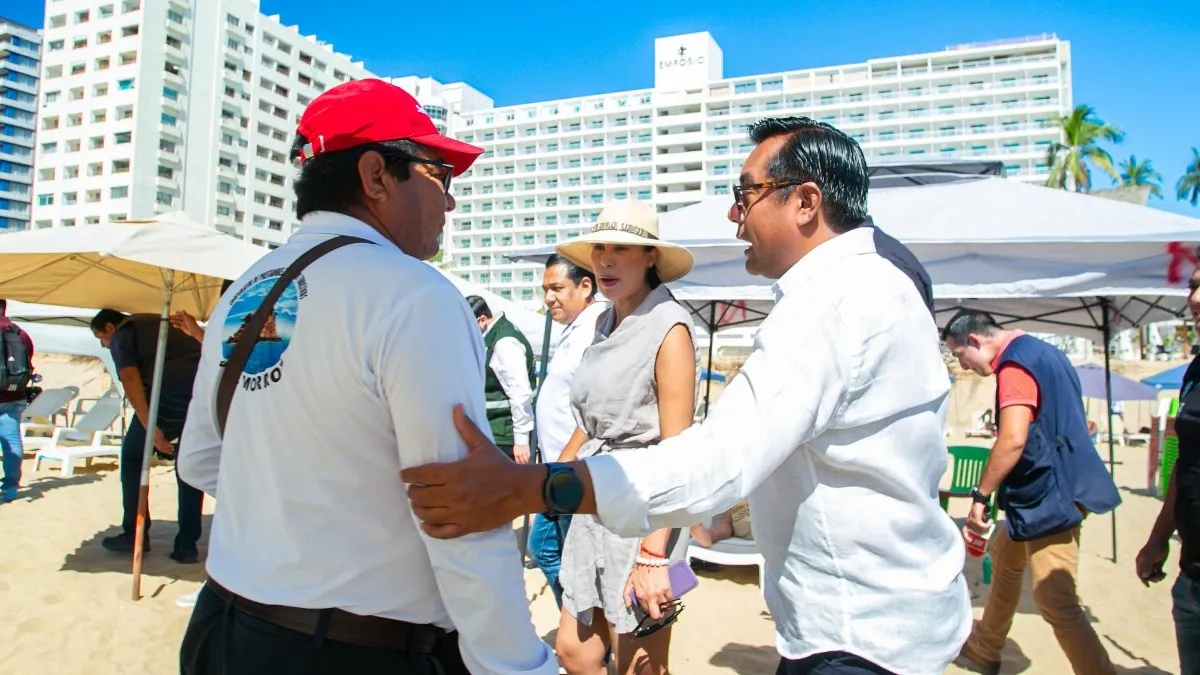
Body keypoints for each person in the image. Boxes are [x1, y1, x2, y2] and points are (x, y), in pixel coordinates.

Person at [402, 116, 971, 675]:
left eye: (745, 193)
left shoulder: (835, 300)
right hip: (841, 613)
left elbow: (714, 459)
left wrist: (531, 488)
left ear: (805, 202)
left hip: (855, 631)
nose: (734, 213)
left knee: (642, 656)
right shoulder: (859, 285)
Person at [176, 78, 555, 675]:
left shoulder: (244, 290)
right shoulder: (415, 295)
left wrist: (300, 524)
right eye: (440, 175)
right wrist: (518, 666)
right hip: (350, 649)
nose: (450, 203)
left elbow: (200, 459)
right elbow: (459, 512)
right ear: (377, 175)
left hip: (223, 626)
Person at [548, 199, 698, 675]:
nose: (606, 259)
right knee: (574, 650)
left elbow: (679, 451)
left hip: (643, 509)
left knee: (640, 666)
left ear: (651, 256)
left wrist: (655, 553)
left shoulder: (669, 327)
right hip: (596, 497)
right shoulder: (604, 319)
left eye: (622, 248)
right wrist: (553, 476)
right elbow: (595, 418)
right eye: (600, 248)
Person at [941, 309, 1121, 675]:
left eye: (960, 356)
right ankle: (986, 648)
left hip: (1050, 495)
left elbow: (1012, 439)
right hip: (1050, 490)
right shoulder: (1043, 351)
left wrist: (980, 495)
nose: (964, 365)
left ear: (975, 341)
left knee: (1055, 600)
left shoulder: (1014, 366)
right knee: (1006, 558)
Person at [90, 308, 205, 563]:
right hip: (200, 397)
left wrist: (150, 427)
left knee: (132, 458)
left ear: (109, 327)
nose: (105, 345)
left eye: (101, 339)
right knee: (186, 466)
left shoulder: (122, 334)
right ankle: (187, 544)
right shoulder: (158, 322)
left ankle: (134, 533)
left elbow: (129, 377)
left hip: (167, 398)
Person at [527, 254, 604, 608]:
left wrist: (563, 462)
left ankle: (587, 640)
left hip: (572, 472)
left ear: (585, 286)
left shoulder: (595, 329)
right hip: (559, 469)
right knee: (543, 547)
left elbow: (594, 408)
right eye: (545, 289)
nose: (548, 298)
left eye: (556, 288)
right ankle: (579, 629)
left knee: (569, 559)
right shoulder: (574, 330)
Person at [1137, 261, 1200, 675]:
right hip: (1192, 575)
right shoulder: (1195, 371)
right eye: (1193, 287)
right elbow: (1186, 461)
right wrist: (1159, 537)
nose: (1194, 299)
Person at [467, 295, 536, 463]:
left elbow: (520, 393)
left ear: (481, 319)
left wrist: (521, 440)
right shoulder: (496, 334)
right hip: (498, 432)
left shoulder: (504, 342)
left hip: (505, 436)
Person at [0, 298, 34, 503]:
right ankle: (11, 486)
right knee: (11, 439)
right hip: (14, 394)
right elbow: (28, 362)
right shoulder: (19, 333)